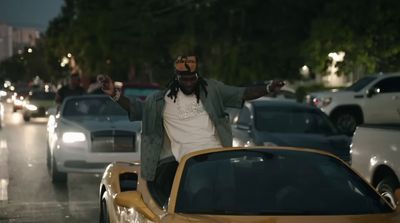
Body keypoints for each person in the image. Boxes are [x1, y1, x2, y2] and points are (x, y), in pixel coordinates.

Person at [101, 55, 285, 182]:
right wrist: (114, 94)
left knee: (227, 205)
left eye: (192, 78)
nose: (189, 82)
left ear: (198, 76)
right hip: (191, 164)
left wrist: (268, 88)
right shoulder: (159, 101)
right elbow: (136, 109)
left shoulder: (212, 91)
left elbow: (243, 93)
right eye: (184, 79)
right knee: (200, 203)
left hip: (220, 158)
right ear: (176, 77)